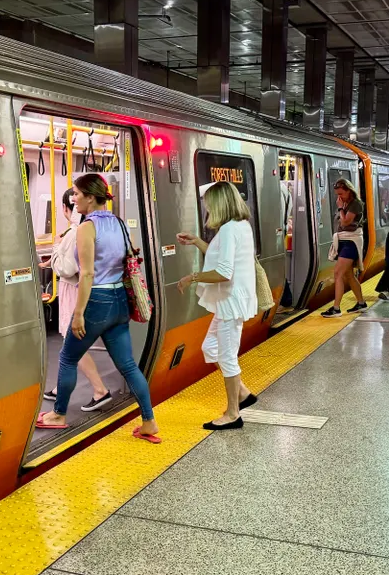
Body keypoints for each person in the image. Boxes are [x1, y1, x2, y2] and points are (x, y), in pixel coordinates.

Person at [36, 174, 160, 442]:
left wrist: (78, 313)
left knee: (68, 357)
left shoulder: (86, 228)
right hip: (119, 302)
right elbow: (130, 254)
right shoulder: (118, 223)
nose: (74, 199)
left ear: (91, 197)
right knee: (128, 365)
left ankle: (58, 414)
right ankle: (149, 420)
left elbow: (87, 275)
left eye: (78, 194)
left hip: (97, 301)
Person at [177, 181, 258, 430]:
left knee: (227, 356)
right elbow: (221, 253)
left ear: (219, 203)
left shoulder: (229, 230)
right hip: (230, 301)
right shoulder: (239, 226)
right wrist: (197, 242)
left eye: (209, 203)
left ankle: (233, 413)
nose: (206, 207)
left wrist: (192, 278)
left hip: (230, 302)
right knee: (210, 347)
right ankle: (243, 393)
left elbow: (224, 271)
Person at [40, 190, 112, 412]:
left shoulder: (74, 233)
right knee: (69, 345)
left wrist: (54, 250)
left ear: (65, 208)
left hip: (73, 290)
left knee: (72, 346)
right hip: (87, 289)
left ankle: (100, 390)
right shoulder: (97, 227)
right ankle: (61, 388)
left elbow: (67, 268)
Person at [320, 179, 368, 317]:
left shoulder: (355, 204)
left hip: (351, 241)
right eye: (337, 195)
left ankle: (336, 308)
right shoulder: (346, 202)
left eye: (341, 194)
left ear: (349, 190)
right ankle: (361, 303)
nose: (339, 197)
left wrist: (340, 208)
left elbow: (346, 221)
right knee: (348, 274)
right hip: (343, 240)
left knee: (338, 273)